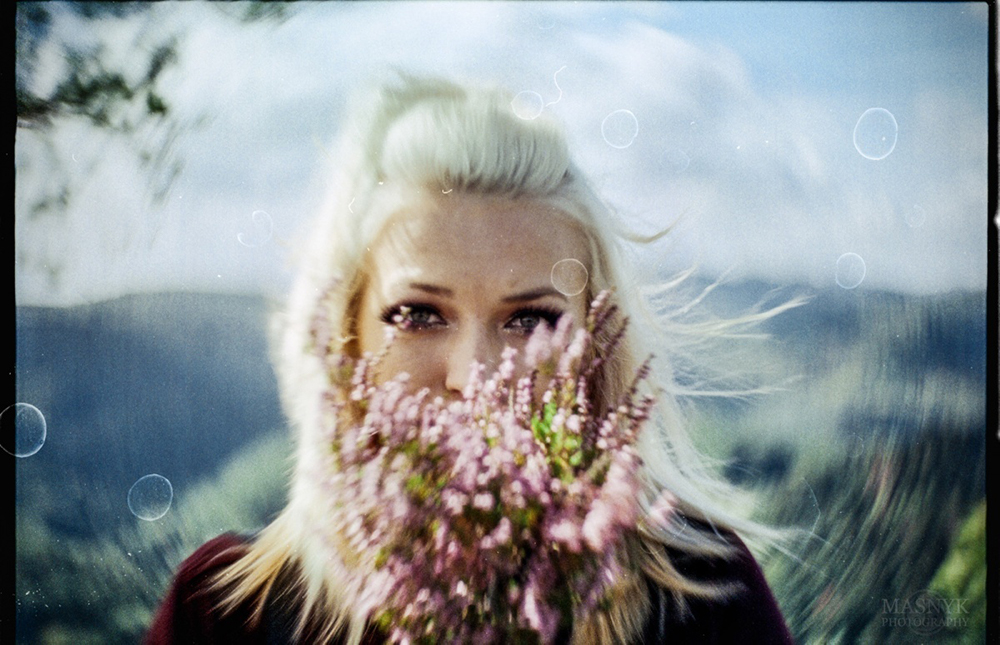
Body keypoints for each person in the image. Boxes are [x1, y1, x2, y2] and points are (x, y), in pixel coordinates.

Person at [145, 74, 795, 644]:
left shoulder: (707, 598)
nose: (474, 378)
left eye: (530, 320)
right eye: (419, 314)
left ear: (594, 352)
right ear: (348, 339)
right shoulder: (226, 612)